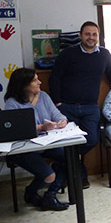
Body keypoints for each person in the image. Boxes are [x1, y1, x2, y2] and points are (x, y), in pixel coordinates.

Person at [49, 21, 111, 188]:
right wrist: (57, 102)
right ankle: (80, 176)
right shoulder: (68, 54)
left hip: (90, 107)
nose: (91, 38)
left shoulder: (105, 55)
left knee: (92, 139)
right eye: (87, 34)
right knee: (69, 141)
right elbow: (54, 77)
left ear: (98, 36)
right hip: (66, 106)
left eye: (94, 34)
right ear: (80, 35)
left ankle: (63, 165)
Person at [4, 68, 69, 211]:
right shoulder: (12, 103)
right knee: (49, 176)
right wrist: (41, 127)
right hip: (23, 149)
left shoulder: (44, 96)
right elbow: (15, 129)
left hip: (45, 144)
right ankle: (31, 192)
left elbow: (57, 114)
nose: (39, 82)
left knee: (72, 158)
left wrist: (62, 121)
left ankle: (50, 195)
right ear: (24, 84)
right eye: (34, 80)